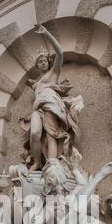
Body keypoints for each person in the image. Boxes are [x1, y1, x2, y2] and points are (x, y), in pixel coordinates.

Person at [27, 24, 83, 171]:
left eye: (45, 60)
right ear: (37, 66)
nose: (43, 62)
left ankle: (52, 166)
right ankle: (37, 161)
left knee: (51, 136)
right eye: (40, 61)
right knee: (34, 133)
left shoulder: (53, 74)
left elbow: (60, 53)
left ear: (49, 62)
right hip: (37, 109)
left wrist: (46, 34)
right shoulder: (35, 84)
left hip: (51, 105)